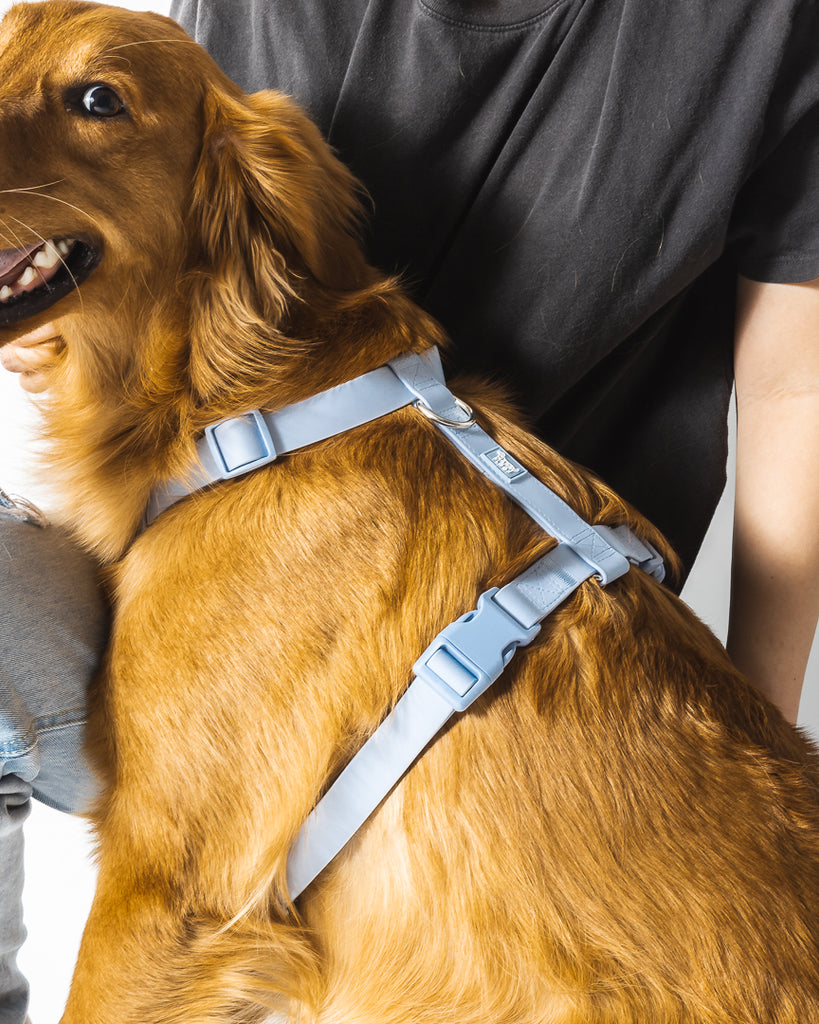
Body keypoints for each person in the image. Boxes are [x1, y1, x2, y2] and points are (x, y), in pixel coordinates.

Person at [1, 0, 817, 1020]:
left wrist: (749, 737)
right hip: (276, 548)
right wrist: (56, 306)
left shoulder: (764, 28)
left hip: (509, 699)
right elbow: (160, 261)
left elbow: (796, 383)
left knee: (178, 896)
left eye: (86, 101)